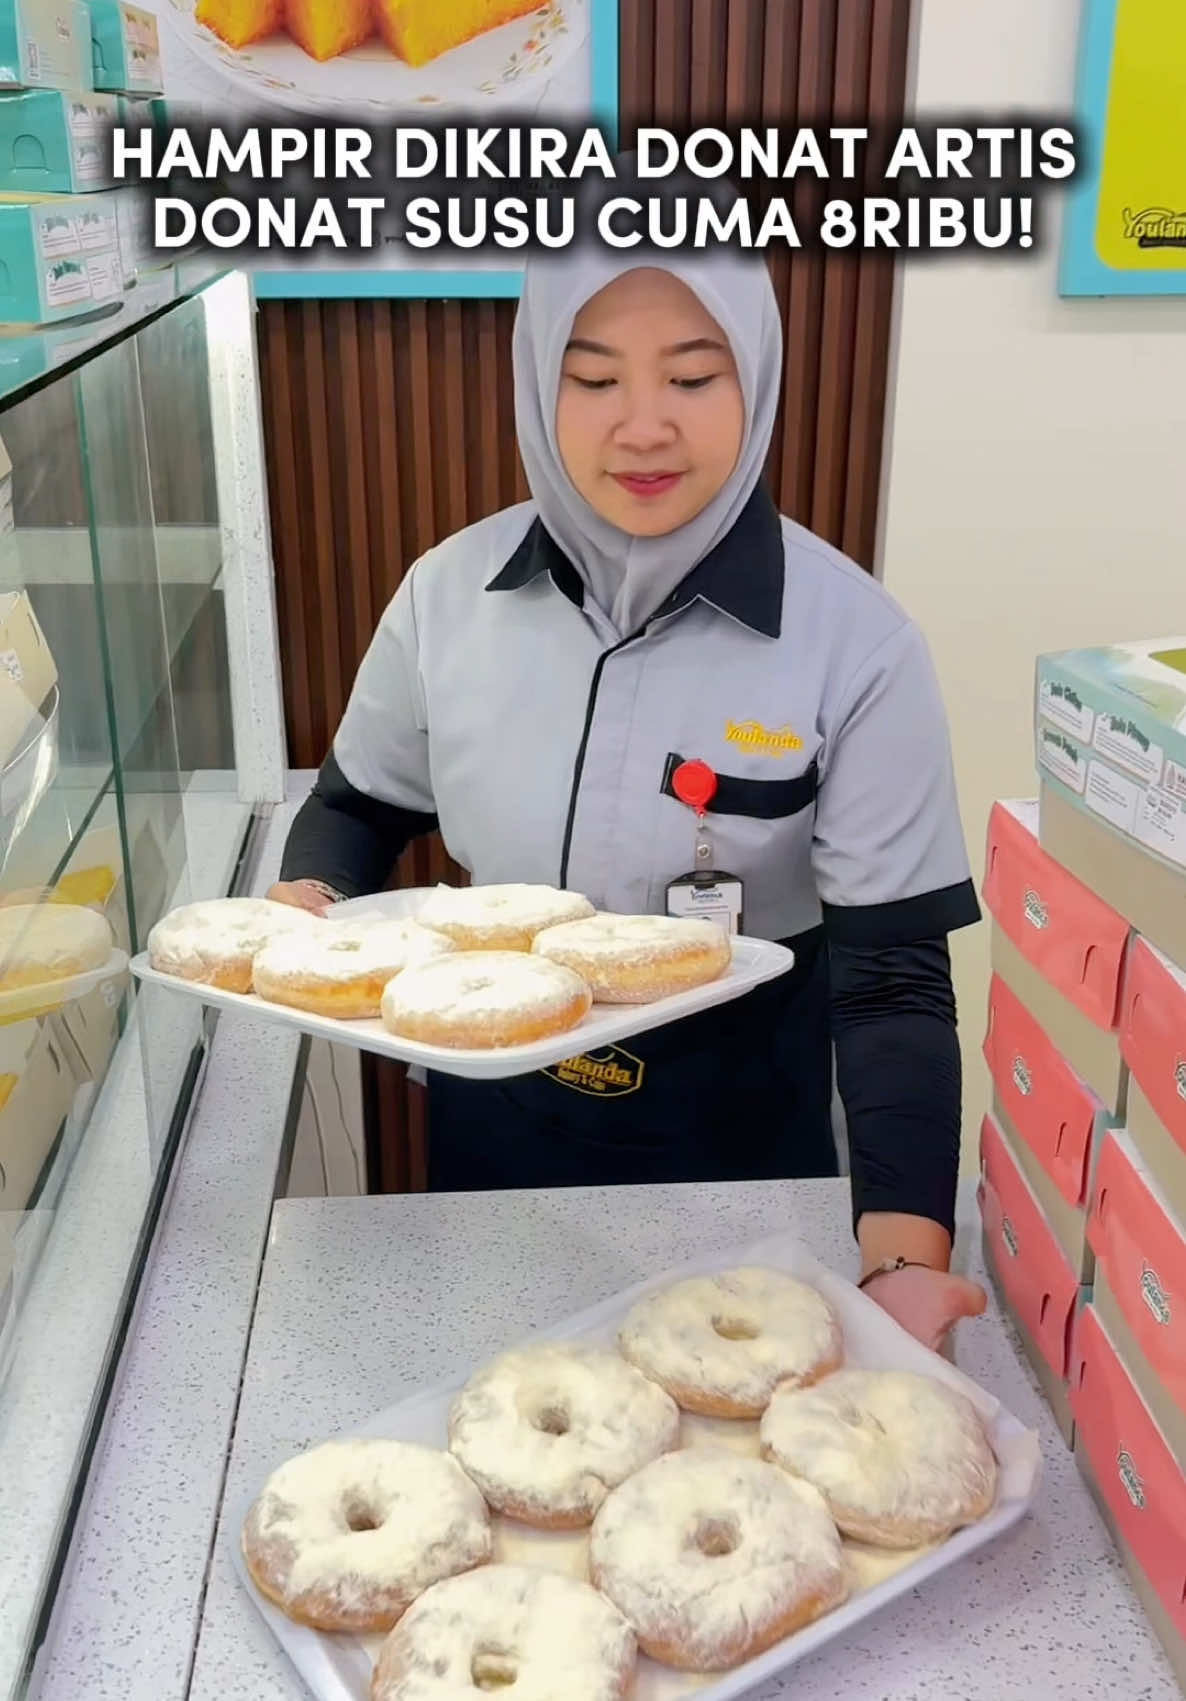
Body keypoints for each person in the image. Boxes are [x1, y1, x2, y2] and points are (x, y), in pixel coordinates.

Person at [270, 183, 987, 1351]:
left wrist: (905, 1256)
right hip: (488, 1127)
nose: (642, 426)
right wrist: (311, 902)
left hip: (743, 1152)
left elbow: (894, 978)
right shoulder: (446, 595)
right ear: (532, 378)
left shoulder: (856, 643)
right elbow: (356, 807)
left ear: (753, 380)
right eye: (593, 379)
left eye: (693, 378)